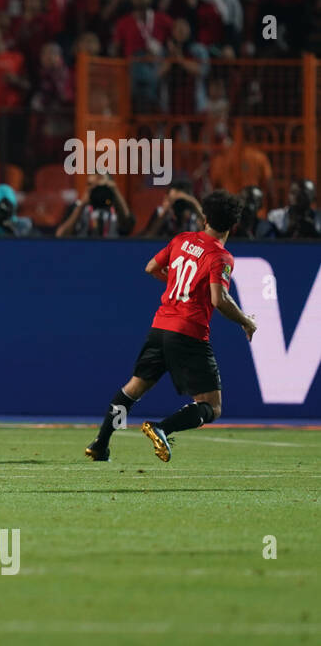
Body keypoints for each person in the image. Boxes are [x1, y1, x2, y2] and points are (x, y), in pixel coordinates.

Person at [86, 190, 257, 463]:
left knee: (133, 389)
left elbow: (151, 267)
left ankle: (101, 442)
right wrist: (246, 321)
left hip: (160, 327)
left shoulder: (182, 240)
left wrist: (180, 286)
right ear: (233, 225)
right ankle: (162, 428)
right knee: (212, 406)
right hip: (189, 333)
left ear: (204, 218)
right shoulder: (221, 257)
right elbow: (219, 299)